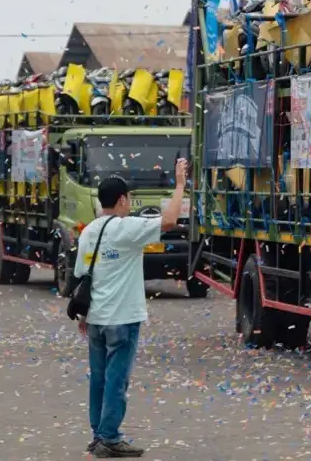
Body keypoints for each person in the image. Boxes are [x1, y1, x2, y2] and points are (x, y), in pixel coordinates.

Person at [75, 158, 188, 458]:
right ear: (122, 199)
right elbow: (170, 220)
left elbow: (82, 275)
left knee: (98, 378)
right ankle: (109, 437)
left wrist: (84, 316)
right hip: (122, 319)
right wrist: (179, 185)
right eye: (130, 199)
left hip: (96, 319)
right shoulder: (126, 228)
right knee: (116, 379)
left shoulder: (88, 232)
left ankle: (98, 434)